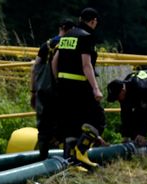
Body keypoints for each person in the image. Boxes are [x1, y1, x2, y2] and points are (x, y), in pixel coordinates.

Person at [51, 7, 104, 168]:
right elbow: (86, 65)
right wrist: (95, 88)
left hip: (63, 86)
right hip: (80, 86)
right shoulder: (86, 37)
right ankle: (81, 152)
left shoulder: (67, 36)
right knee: (98, 120)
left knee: (71, 125)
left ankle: (70, 162)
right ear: (93, 21)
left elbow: (55, 61)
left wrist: (58, 81)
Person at [30, 19, 74, 159]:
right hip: (62, 91)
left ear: (60, 28)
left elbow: (35, 68)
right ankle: (64, 158)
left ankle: (43, 158)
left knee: (44, 126)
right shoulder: (70, 45)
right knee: (65, 125)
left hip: (44, 91)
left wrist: (33, 91)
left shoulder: (46, 45)